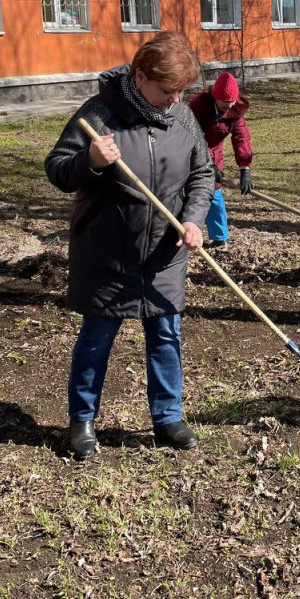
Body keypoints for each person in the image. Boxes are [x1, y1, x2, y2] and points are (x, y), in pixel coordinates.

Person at [45, 32, 214, 460]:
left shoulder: (182, 119)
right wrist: (92, 162)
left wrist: (193, 218)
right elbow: (59, 170)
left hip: (163, 254)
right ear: (140, 77)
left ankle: (167, 417)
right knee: (97, 338)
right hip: (107, 253)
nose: (175, 101)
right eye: (166, 91)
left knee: (165, 335)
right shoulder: (100, 114)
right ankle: (82, 420)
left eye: (181, 92)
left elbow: (203, 173)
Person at [188, 71, 253, 251]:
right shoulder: (198, 106)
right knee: (191, 194)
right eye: (225, 101)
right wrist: (208, 163)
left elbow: (241, 137)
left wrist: (245, 168)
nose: (230, 105)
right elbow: (196, 137)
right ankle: (186, 235)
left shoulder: (236, 109)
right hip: (190, 152)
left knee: (214, 195)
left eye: (232, 100)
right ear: (215, 96)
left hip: (215, 153)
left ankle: (219, 237)